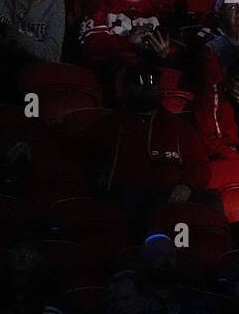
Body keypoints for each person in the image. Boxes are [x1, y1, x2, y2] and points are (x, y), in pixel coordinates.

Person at [86, 64, 212, 215]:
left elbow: (200, 165)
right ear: (126, 89)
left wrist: (186, 186)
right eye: (139, 83)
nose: (147, 87)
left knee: (210, 200)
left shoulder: (179, 127)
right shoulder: (111, 125)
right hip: (126, 197)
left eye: (152, 83)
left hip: (171, 196)